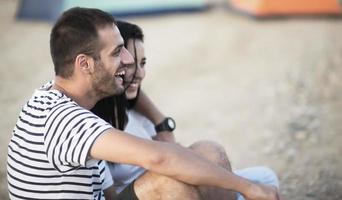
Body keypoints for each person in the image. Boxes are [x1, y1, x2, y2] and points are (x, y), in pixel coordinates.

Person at [7, 7, 280, 200]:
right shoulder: (67, 121)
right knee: (169, 183)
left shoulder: (56, 95)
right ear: (85, 64)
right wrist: (248, 187)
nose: (128, 59)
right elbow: (158, 156)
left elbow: (129, 91)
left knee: (209, 153)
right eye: (117, 51)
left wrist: (161, 122)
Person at [92, 21, 279, 200]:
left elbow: (172, 155)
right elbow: (159, 162)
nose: (139, 74)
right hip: (150, 190)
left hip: (172, 182)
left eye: (143, 63)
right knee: (197, 170)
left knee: (264, 175)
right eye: (129, 65)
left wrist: (162, 124)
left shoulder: (134, 107)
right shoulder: (95, 123)